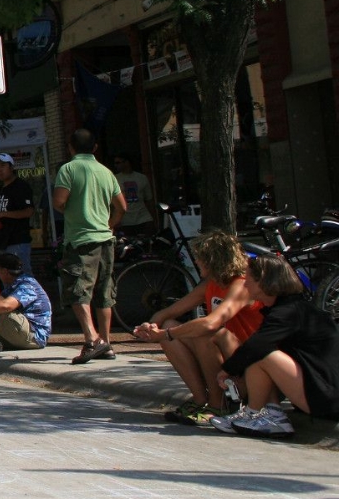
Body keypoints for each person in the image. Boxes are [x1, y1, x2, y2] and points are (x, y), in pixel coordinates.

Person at [132, 231, 262, 426]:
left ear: (213, 260)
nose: (196, 262)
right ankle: (202, 399)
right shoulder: (212, 284)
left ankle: (218, 405)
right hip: (227, 361)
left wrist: (166, 334)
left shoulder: (241, 285)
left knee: (204, 332)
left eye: (200, 258)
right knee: (170, 325)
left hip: (250, 366)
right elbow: (167, 313)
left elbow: (211, 323)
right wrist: (150, 326)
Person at [211, 253, 339, 437]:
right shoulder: (292, 308)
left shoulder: (288, 312)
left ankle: (262, 414)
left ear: (263, 281)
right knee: (260, 353)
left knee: (263, 353)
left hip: (327, 397)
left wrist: (227, 370)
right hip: (324, 391)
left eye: (249, 279)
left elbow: (257, 345)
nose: (245, 284)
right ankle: (266, 412)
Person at [53, 128, 126, 365]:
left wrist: (74, 213)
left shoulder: (68, 169)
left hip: (81, 239)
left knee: (77, 290)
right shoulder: (106, 172)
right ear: (95, 148)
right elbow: (122, 207)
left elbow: (59, 202)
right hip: (105, 239)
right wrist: (110, 224)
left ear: (70, 147)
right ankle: (105, 342)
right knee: (104, 291)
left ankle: (91, 340)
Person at [0, 252, 52, 352]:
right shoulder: (12, 286)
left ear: (4, 271)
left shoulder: (27, 284)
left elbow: (7, 306)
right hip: (20, 333)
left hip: (33, 336)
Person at [0, 154, 35, 268]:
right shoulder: (0, 190)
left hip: (18, 241)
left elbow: (28, 211)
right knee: (7, 278)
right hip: (3, 242)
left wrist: (1, 214)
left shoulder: (21, 186)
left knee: (22, 276)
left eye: (3, 165)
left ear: (11, 167)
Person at [111, 155, 157, 237]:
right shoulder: (114, 179)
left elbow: (149, 200)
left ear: (127, 162)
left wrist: (154, 218)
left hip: (143, 218)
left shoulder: (142, 178)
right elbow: (111, 202)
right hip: (124, 221)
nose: (115, 165)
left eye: (118, 162)